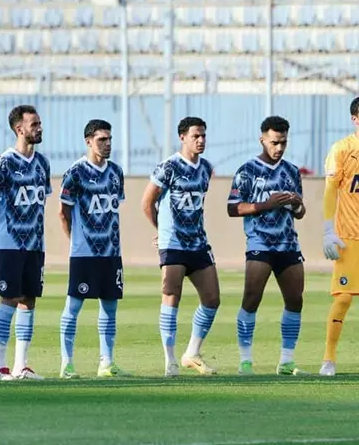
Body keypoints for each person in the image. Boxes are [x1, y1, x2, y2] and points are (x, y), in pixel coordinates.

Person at [140, 117, 220, 377]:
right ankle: (170, 360)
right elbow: (147, 202)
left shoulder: (206, 168)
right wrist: (161, 231)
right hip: (173, 243)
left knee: (212, 299)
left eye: (204, 135)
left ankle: (192, 353)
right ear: (182, 137)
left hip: (198, 242)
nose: (201, 140)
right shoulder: (169, 167)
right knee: (171, 296)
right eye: (196, 136)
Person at [227, 116, 307, 376]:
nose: (279, 148)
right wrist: (266, 205)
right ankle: (245, 361)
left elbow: (299, 213)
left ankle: (287, 361)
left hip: (288, 244)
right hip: (260, 243)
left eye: (283, 142)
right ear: (262, 139)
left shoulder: (292, 171)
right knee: (251, 298)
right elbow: (232, 208)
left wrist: (297, 204)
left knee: (295, 300)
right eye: (274, 142)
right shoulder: (247, 170)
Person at [0, 104, 51, 381]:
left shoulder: (43, 163)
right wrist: (0, 232)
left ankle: (21, 365)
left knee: (29, 300)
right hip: (8, 244)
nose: (39, 128)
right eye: (34, 124)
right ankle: (0, 367)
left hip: (35, 244)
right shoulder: (6, 162)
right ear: (19, 129)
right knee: (9, 299)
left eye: (39, 123)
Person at [58, 119, 130, 379]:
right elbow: (63, 212)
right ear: (89, 141)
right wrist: (76, 240)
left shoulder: (116, 172)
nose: (107, 144)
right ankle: (67, 364)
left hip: (111, 252)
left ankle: (106, 363)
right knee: (74, 306)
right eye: (102, 139)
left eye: (109, 139)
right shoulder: (75, 172)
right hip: (84, 253)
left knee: (110, 307)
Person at [320, 96, 359, 376]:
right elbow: (330, 190)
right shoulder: (342, 149)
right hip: (350, 236)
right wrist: (327, 231)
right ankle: (329, 359)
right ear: (355, 118)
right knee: (344, 297)